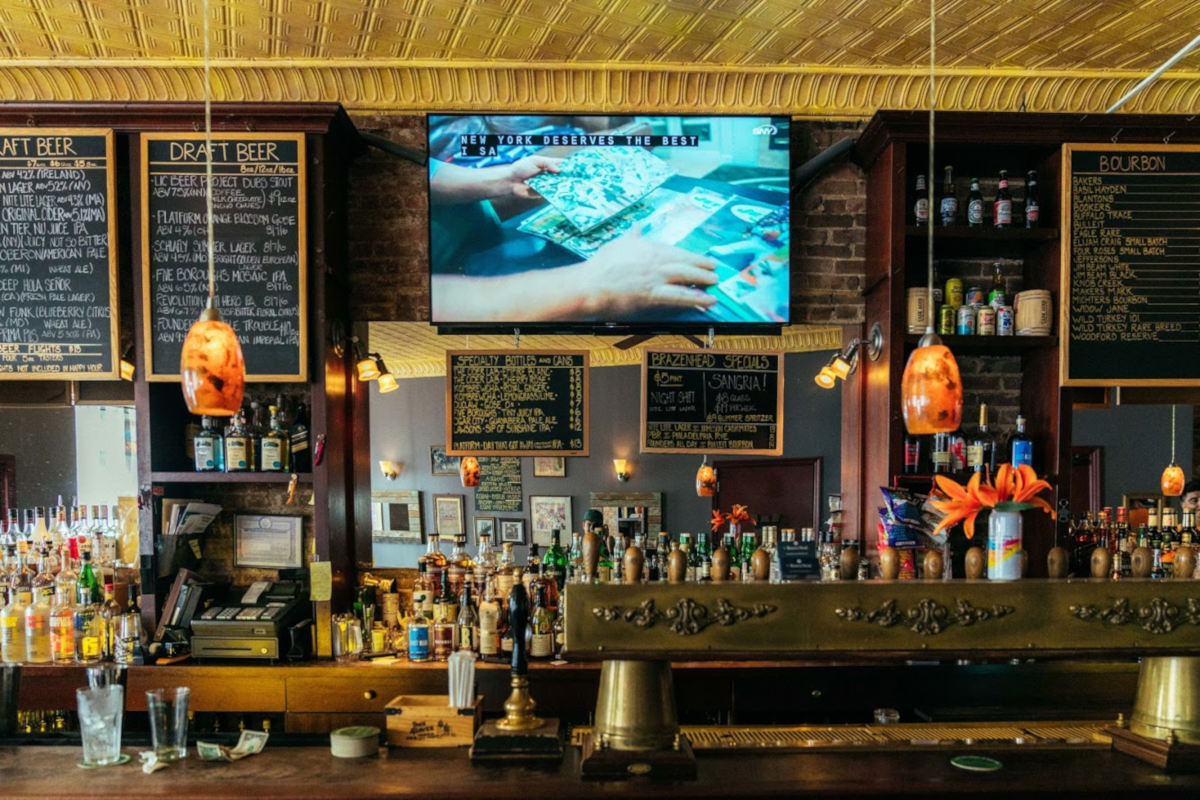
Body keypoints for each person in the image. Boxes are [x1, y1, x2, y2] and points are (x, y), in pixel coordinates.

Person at [428, 157, 718, 322]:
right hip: (478, 300)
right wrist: (594, 285)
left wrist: (506, 177)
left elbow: (425, 170)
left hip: (489, 243)